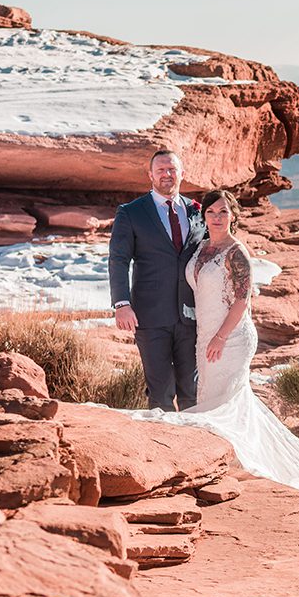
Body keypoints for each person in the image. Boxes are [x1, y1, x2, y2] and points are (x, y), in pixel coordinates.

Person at [118, 189, 299, 490]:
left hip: (230, 338)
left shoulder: (236, 252)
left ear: (234, 216)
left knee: (227, 402)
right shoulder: (203, 247)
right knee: (211, 400)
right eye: (211, 212)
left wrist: (220, 337)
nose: (217, 218)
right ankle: (220, 459)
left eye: (223, 212)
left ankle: (237, 461)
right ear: (203, 216)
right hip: (205, 335)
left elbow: (241, 301)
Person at [109, 149, 203, 411]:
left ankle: (192, 447)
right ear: (150, 174)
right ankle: (167, 446)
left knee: (191, 391)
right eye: (161, 169)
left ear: (182, 174)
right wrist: (121, 304)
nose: (167, 174)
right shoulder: (131, 212)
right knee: (161, 393)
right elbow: (118, 260)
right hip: (149, 317)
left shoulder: (197, 212)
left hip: (191, 315)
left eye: (172, 169)